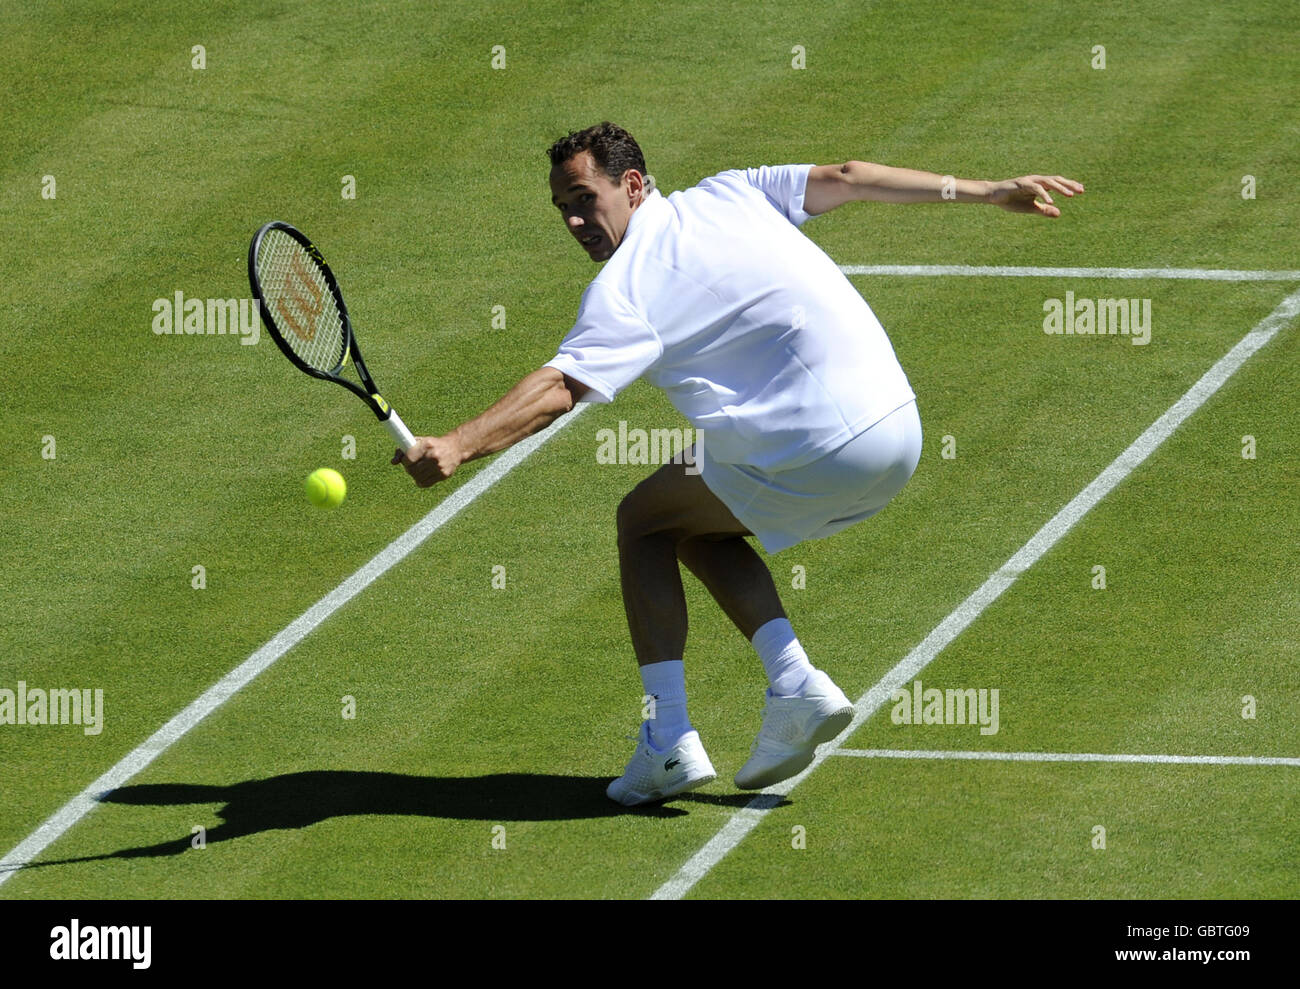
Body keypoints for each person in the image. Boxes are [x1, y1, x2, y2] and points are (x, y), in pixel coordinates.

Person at [394, 122, 1083, 806]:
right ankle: (794, 686)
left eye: (583, 197)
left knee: (643, 522)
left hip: (817, 447)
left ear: (632, 186)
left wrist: (456, 444)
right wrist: (989, 190)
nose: (575, 220)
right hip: (899, 431)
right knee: (697, 518)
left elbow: (558, 387)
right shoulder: (733, 192)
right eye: (562, 209)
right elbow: (848, 177)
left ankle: (669, 739)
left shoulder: (624, 289)